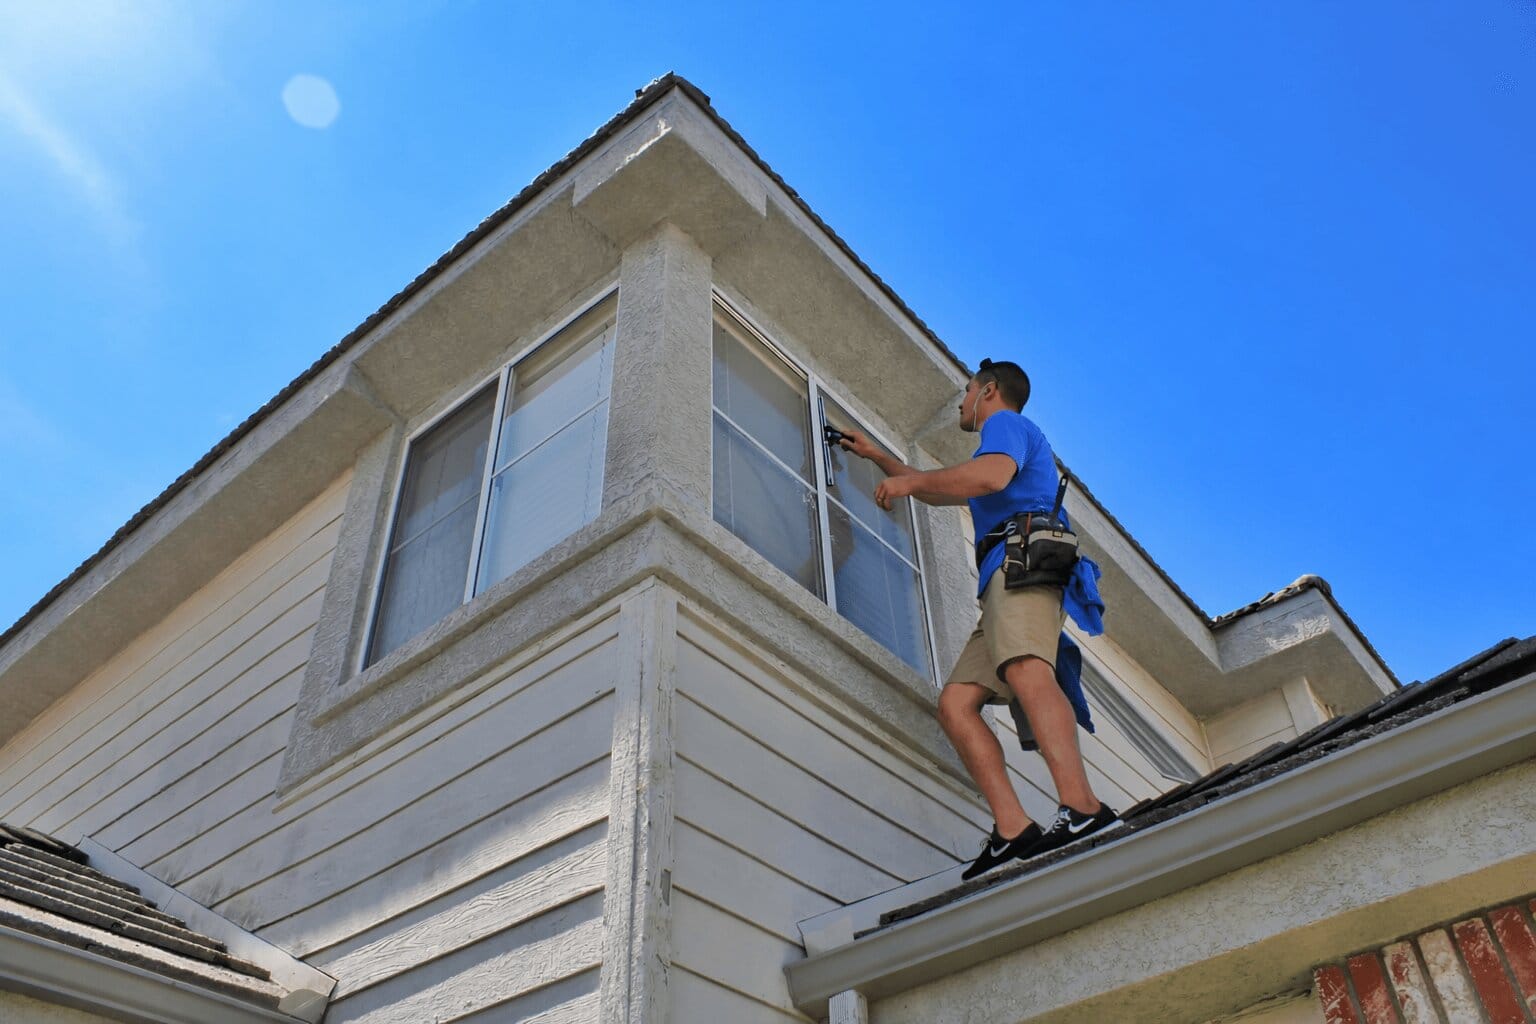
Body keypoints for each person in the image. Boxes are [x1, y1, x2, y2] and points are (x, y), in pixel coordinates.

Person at [837, 358, 1118, 880]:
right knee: (957, 703)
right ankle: (1013, 828)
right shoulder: (992, 445)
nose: (962, 403)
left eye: (967, 392)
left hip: (1023, 567)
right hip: (1002, 584)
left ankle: (1083, 808)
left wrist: (907, 483)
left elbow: (990, 476)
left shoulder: (1005, 427)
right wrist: (879, 458)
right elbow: (936, 488)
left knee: (1026, 669)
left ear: (989, 391)